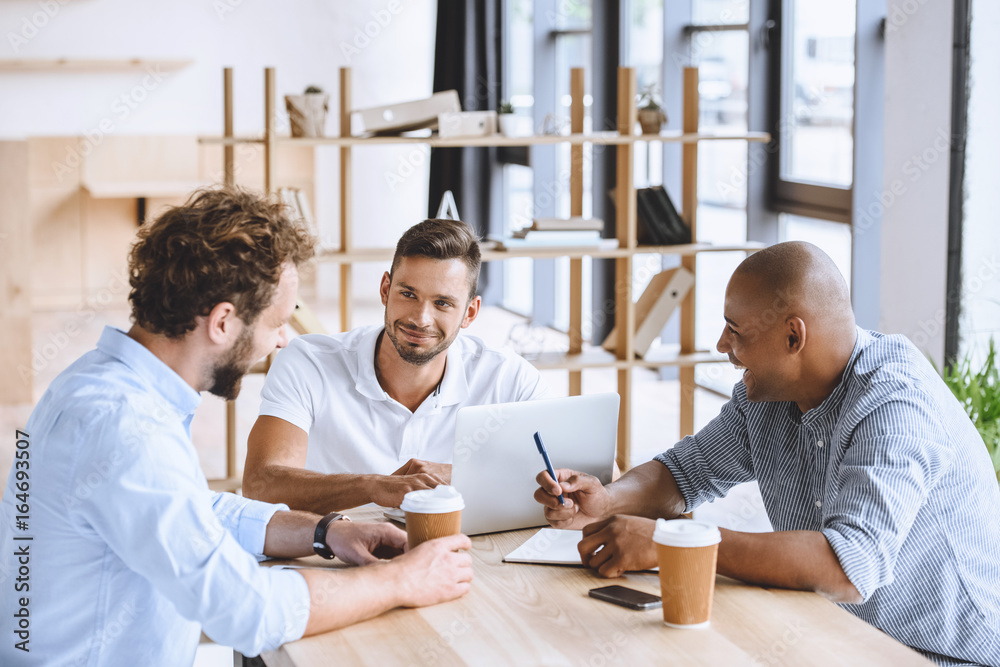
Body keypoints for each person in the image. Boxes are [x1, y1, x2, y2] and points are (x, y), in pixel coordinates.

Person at [0, 188, 473, 666]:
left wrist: (324, 531)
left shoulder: (101, 382)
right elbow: (246, 611)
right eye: (277, 321)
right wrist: (401, 580)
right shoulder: (125, 427)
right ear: (224, 322)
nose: (284, 339)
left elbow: (184, 511)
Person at [534, 242, 1000, 666]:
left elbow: (845, 566)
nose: (721, 346)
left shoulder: (895, 405)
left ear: (794, 338)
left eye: (735, 331)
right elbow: (684, 473)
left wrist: (669, 543)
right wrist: (608, 498)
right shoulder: (769, 394)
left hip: (944, 655)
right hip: (839, 634)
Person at [243, 218, 547, 513]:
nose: (420, 318)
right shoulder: (308, 362)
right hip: (333, 554)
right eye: (408, 294)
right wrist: (375, 487)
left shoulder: (509, 378)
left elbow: (557, 477)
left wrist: (459, 475)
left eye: (442, 303)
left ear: (470, 312)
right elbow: (262, 485)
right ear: (386, 289)